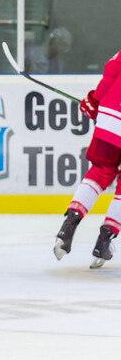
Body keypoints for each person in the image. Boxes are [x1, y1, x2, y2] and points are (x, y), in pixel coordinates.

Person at [54, 49, 121, 269]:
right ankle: (105, 239)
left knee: (100, 170)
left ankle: (70, 221)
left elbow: (111, 72)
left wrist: (94, 101)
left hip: (112, 116)